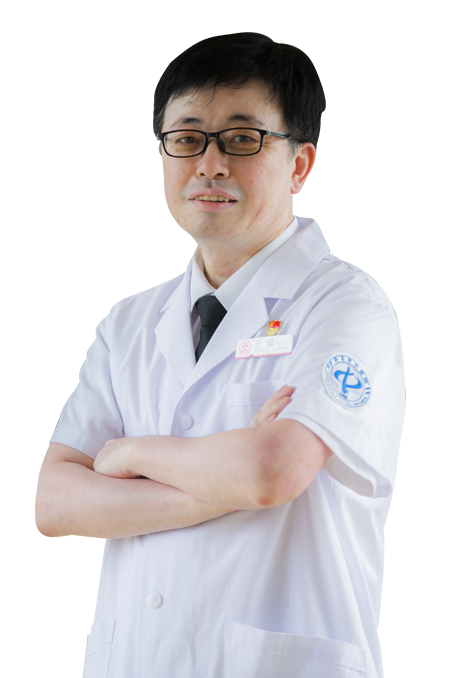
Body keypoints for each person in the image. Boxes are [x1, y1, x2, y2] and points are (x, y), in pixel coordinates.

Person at [36, 34, 405, 678]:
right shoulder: (129, 326)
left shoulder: (346, 306)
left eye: (242, 139)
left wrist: (130, 455)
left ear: (299, 165)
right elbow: (49, 506)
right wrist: (219, 483)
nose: (210, 164)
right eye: (187, 139)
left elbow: (272, 471)